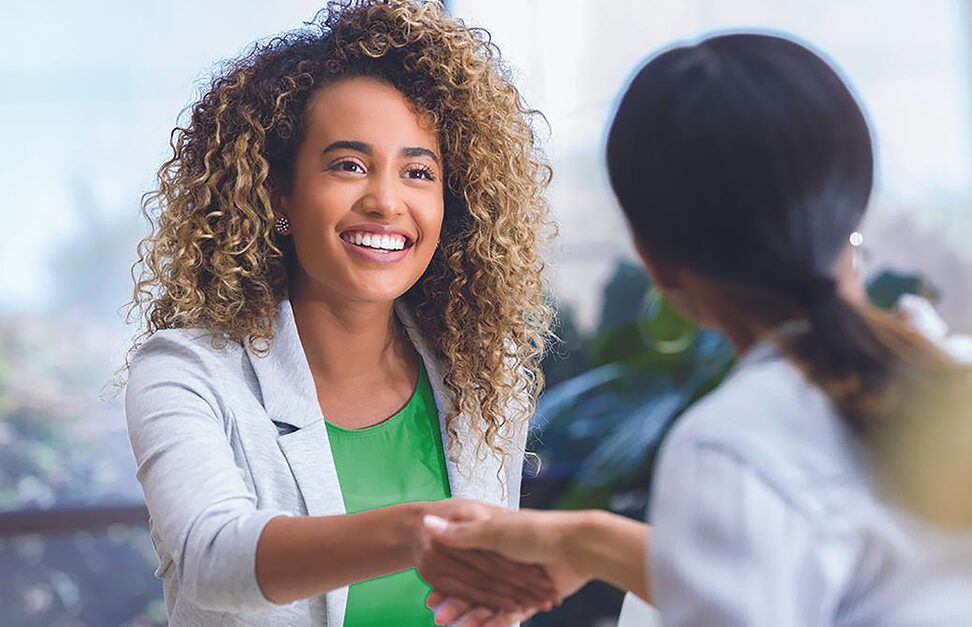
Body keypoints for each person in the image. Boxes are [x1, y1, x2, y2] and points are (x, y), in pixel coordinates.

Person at [422, 33, 972, 626]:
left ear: (652, 260)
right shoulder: (948, 376)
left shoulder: (734, 447)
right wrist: (588, 542)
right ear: (855, 199)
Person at [123, 1, 558, 625]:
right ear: (278, 191)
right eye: (349, 165)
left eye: (418, 172)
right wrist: (420, 533)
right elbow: (212, 559)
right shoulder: (185, 373)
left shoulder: (485, 377)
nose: (386, 201)